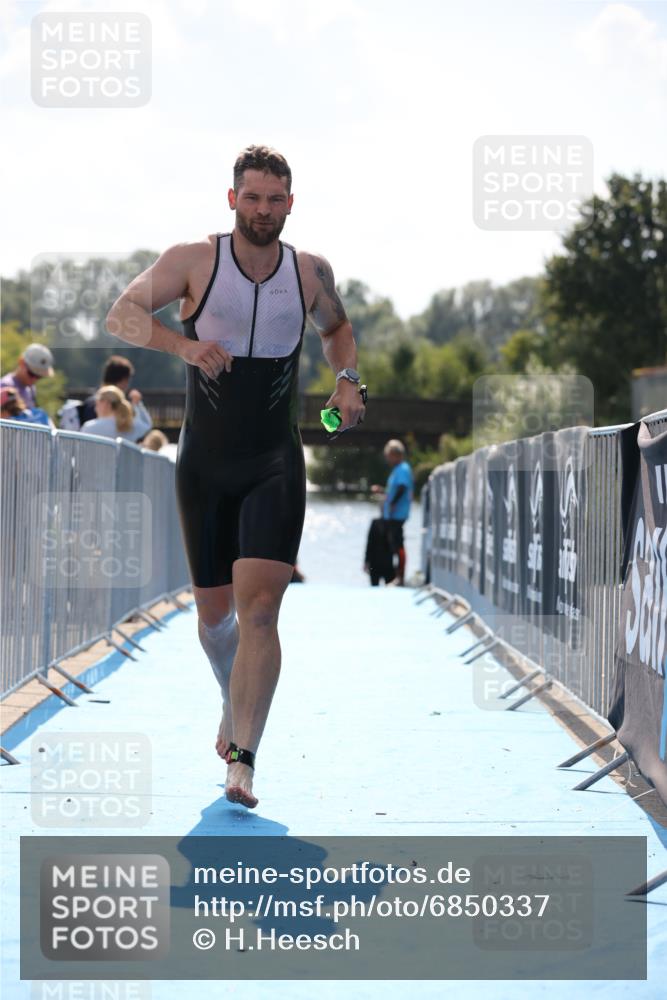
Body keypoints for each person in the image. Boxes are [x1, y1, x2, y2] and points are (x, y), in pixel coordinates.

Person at [106, 144, 365, 808]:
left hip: (274, 460)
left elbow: (337, 329)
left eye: (275, 199)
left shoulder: (309, 271)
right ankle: (231, 699)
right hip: (205, 463)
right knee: (215, 619)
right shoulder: (193, 259)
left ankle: (243, 762)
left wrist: (346, 380)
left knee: (261, 612)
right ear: (232, 199)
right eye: (252, 197)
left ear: (290, 203)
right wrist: (185, 346)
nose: (263, 209)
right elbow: (122, 314)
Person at [58, 355, 147, 431]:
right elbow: (144, 427)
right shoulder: (115, 405)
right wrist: (137, 405)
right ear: (124, 380)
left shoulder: (91, 402)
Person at [371, 439, 414, 586]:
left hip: (398, 514)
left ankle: (400, 577)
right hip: (393, 514)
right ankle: (398, 576)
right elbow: (394, 490)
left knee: (398, 543)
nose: (387, 459)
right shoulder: (398, 470)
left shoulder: (402, 469)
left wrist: (393, 503)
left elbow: (402, 488)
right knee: (394, 544)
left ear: (396, 455)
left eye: (389, 456)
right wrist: (382, 491)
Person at [80, 384, 152, 442]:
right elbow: (147, 425)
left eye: (97, 403)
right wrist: (137, 404)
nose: (95, 408)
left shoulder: (89, 427)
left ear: (106, 404)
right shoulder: (131, 426)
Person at [1, 342, 55, 410]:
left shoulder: (31, 388)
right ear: (21, 362)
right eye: (31, 374)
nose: (34, 379)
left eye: (39, 377)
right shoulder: (5, 387)